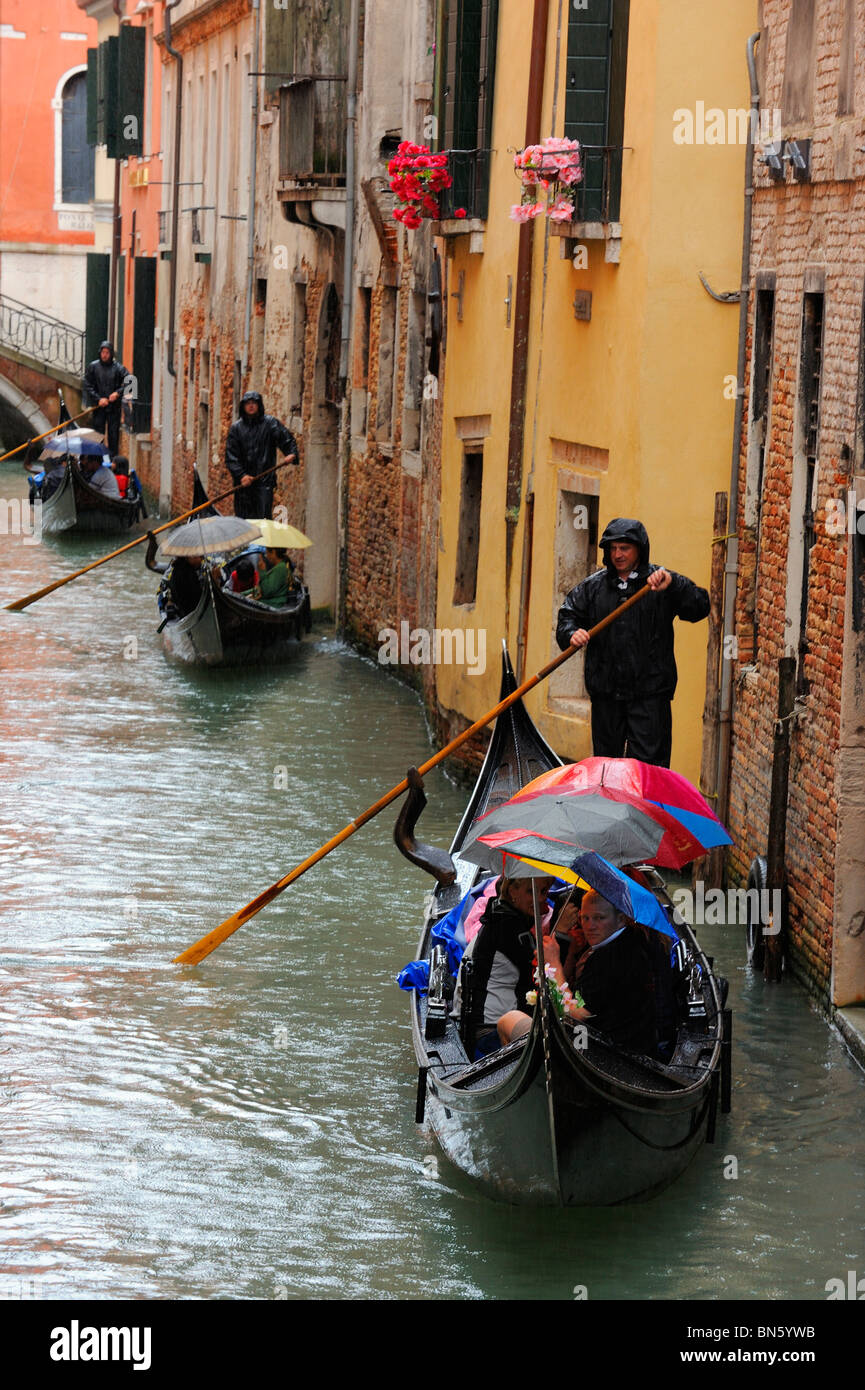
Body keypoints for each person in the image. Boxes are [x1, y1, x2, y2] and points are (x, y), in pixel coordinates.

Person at [556, 518, 710, 768]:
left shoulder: (660, 582)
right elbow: (568, 615)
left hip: (649, 696)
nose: (618, 555)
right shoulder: (593, 587)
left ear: (639, 549)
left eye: (624, 548)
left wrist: (674, 586)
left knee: (649, 769)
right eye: (613, 548)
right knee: (606, 768)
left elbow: (700, 606)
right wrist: (572, 633)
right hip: (606, 695)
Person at [452, 875, 556, 1058]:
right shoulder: (510, 929)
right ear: (511, 891)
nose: (540, 898)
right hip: (490, 1033)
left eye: (543, 892)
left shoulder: (499, 917)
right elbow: (543, 980)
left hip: (476, 1024)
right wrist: (561, 935)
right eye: (530, 891)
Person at [547, 890, 657, 1054]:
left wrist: (553, 964)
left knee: (510, 1019)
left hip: (606, 1052)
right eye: (585, 918)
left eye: (599, 918)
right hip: (635, 1043)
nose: (589, 926)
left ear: (620, 920)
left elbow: (576, 1014)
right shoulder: (633, 939)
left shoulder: (608, 957)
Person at [225, 392, 298, 519]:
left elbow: (286, 438)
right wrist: (241, 475)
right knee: (244, 519)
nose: (251, 406)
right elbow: (231, 456)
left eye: (254, 403)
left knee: (263, 518)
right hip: (243, 484)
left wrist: (291, 453)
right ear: (243, 406)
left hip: (264, 481)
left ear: (259, 405)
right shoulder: (236, 429)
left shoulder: (270, 424)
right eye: (248, 403)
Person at [82, 341, 131, 459]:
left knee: (113, 436)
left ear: (111, 354)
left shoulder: (119, 368)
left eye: (107, 353)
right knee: (98, 435)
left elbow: (130, 382)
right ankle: (97, 460)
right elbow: (87, 384)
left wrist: (117, 393)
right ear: (100, 353)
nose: (104, 355)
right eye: (103, 352)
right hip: (99, 407)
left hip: (114, 408)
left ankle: (113, 461)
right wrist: (98, 399)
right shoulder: (93, 367)